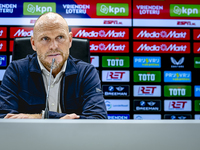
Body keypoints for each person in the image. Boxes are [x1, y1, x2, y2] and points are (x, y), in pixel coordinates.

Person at [0, 12, 107, 119]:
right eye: (45, 39)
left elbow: (98, 119)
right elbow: (4, 118)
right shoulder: (16, 71)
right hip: (30, 136)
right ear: (33, 43)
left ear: (70, 40)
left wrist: (41, 117)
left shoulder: (86, 72)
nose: (53, 46)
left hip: (72, 136)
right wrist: (62, 119)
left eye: (60, 37)